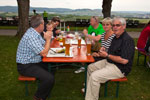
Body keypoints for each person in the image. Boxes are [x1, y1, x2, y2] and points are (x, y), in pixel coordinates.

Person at [85, 17, 135, 100]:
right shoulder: (115, 37)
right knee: (90, 67)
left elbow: (124, 60)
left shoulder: (127, 40)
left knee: (95, 76)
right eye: (114, 25)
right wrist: (103, 50)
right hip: (109, 62)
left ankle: (91, 98)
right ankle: (90, 91)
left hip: (119, 68)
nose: (115, 27)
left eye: (117, 25)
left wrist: (107, 55)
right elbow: (111, 51)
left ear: (124, 26)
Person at [16, 15, 54, 100]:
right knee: (49, 78)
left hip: (34, 61)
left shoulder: (34, 32)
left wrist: (47, 39)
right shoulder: (31, 36)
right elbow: (44, 53)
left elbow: (43, 47)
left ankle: (44, 87)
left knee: (52, 67)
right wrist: (48, 39)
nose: (44, 26)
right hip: (25, 66)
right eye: (43, 24)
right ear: (40, 24)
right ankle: (38, 97)